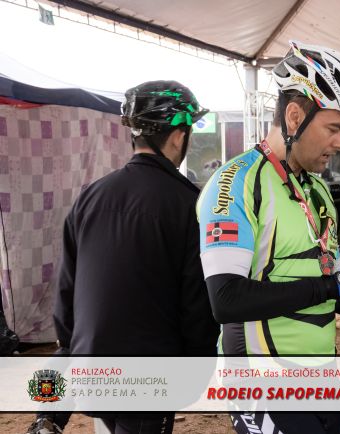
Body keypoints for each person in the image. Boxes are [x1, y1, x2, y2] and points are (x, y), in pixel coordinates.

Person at [197, 40, 340, 434]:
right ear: (294, 116)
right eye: (335, 128)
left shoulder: (317, 189)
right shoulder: (236, 182)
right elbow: (226, 299)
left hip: (322, 376)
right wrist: (331, 286)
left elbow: (325, 287)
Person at [28, 81, 219, 434]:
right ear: (179, 136)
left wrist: (73, 348)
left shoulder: (91, 196)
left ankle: (47, 417)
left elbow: (67, 290)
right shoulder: (188, 204)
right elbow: (197, 304)